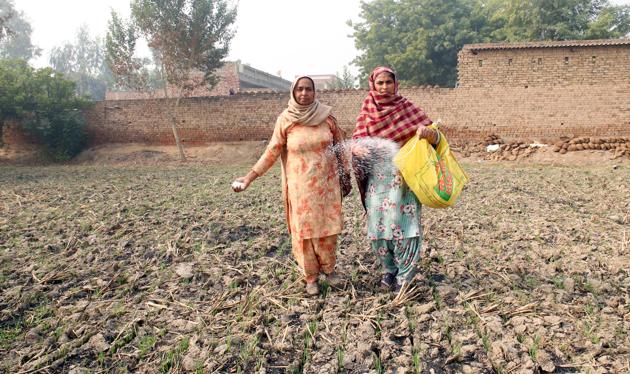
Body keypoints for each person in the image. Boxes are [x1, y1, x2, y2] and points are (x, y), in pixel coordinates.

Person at [232, 76, 351, 296]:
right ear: (293, 92)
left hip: (327, 187)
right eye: (300, 89)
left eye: (308, 89)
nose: (304, 93)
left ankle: (330, 270)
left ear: (315, 92)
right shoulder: (286, 120)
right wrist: (249, 176)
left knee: (328, 231)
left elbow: (341, 147)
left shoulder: (327, 118)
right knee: (304, 234)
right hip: (301, 190)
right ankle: (311, 278)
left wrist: (346, 176)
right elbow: (272, 152)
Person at [351, 66, 439, 292]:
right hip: (378, 181)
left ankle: (405, 275)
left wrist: (430, 135)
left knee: (407, 228)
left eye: (388, 82)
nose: (384, 87)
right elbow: (357, 143)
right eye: (379, 83)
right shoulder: (367, 112)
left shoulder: (407, 108)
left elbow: (435, 137)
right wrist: (358, 151)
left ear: (395, 84)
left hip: (405, 179)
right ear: (372, 85)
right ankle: (388, 270)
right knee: (378, 230)